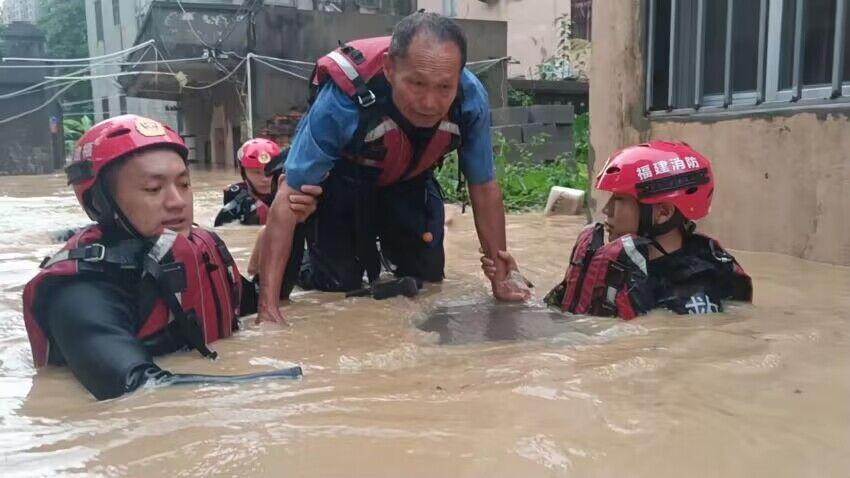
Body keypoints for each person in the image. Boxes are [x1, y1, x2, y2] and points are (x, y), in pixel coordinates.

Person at [257, 12, 530, 324]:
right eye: (416, 83)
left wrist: (502, 276)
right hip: (343, 181)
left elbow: (483, 187)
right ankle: (286, 255)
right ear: (388, 67)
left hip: (410, 179)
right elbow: (288, 196)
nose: (430, 102)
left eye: (444, 87)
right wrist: (268, 307)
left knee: (425, 279)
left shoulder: (470, 100)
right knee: (336, 284)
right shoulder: (341, 102)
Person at [21, 115, 314, 401]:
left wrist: (290, 222)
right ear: (99, 202)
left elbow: (263, 299)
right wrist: (294, 382)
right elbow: (136, 387)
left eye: (184, 184)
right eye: (153, 188)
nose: (177, 201)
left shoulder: (203, 247)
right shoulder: (82, 290)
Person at [482, 141, 752, 319]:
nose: (607, 210)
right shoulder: (610, 261)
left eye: (620, 200)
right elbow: (559, 315)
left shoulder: (693, 291)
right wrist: (516, 285)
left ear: (663, 213)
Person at [214, 138, 280, 227]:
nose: (265, 179)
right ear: (243, 173)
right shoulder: (234, 208)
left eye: (270, 172)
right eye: (256, 172)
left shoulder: (290, 194)